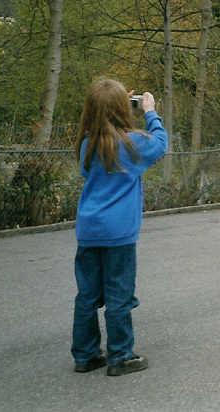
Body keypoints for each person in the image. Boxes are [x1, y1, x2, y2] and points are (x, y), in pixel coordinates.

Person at [71, 78, 167, 377]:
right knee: (118, 294)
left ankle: (85, 356)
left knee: (87, 295)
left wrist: (112, 101)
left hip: (88, 230)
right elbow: (161, 143)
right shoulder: (131, 143)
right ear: (122, 109)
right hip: (119, 234)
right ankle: (120, 356)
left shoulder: (87, 144)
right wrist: (149, 111)